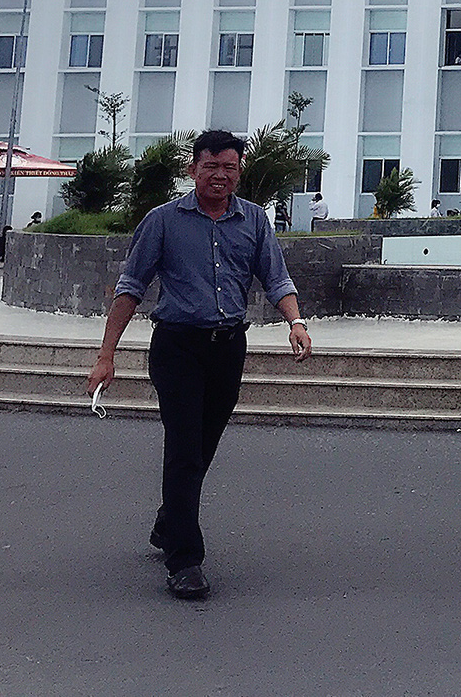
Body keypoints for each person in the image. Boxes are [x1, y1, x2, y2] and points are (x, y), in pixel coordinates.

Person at [84, 130, 312, 601]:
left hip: (228, 348)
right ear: (193, 170)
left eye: (229, 168)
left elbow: (275, 277)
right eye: (211, 167)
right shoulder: (163, 221)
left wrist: (295, 321)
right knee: (185, 447)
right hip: (177, 349)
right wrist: (106, 356)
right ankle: (185, 560)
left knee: (204, 445)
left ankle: (170, 520)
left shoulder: (253, 220)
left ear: (238, 172)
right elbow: (131, 287)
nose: (220, 176)